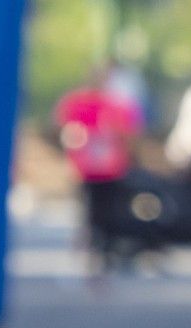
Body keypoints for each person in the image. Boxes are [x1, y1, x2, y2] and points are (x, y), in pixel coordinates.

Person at [52, 64, 143, 273]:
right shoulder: (78, 103)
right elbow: (65, 130)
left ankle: (105, 250)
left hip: (111, 167)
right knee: (89, 209)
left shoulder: (117, 104)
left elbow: (130, 133)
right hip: (87, 168)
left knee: (110, 209)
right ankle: (90, 248)